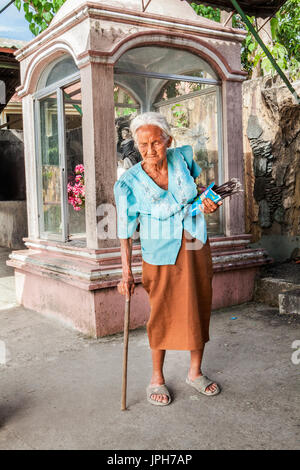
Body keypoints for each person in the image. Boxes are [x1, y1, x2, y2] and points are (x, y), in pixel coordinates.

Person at [114, 112, 222, 406]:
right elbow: (124, 229)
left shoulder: (183, 158)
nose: (150, 150)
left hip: (194, 243)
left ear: (167, 140)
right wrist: (126, 271)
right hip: (159, 251)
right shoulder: (129, 183)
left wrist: (207, 200)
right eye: (143, 144)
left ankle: (195, 372)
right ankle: (157, 378)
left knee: (199, 303)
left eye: (156, 143)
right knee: (160, 311)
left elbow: (197, 192)